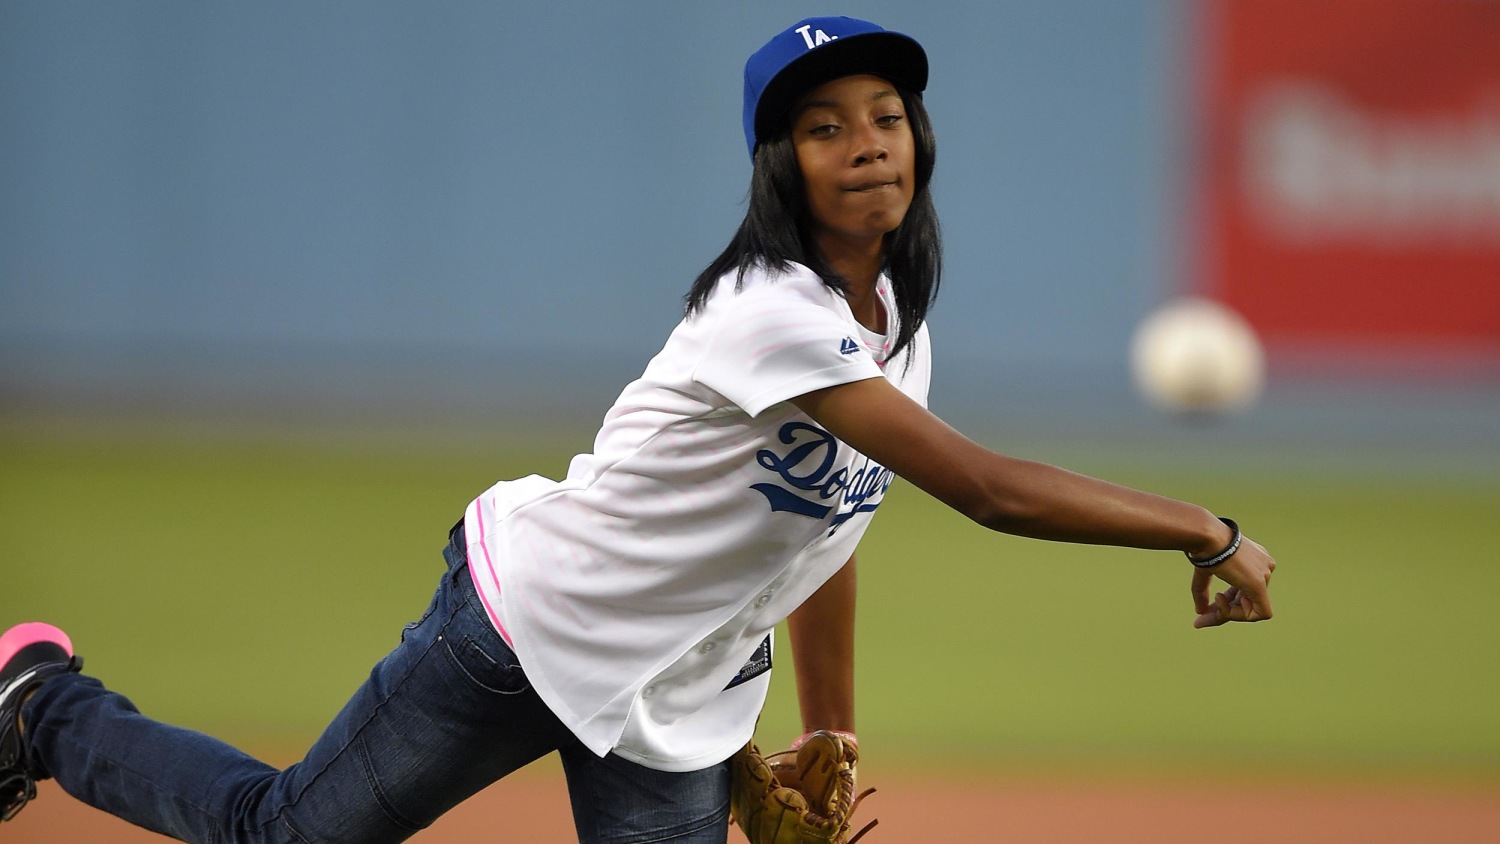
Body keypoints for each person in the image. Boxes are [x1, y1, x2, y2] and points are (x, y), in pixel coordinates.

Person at [0, 16, 1275, 844]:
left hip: (678, 701)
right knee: (283, 832)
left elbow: (830, 532)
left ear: (920, 139)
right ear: (780, 163)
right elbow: (988, 490)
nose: (865, 145)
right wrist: (1204, 530)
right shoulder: (768, 310)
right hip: (523, 633)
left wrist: (828, 728)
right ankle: (41, 703)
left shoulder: (894, 319)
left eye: (885, 116)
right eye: (824, 127)